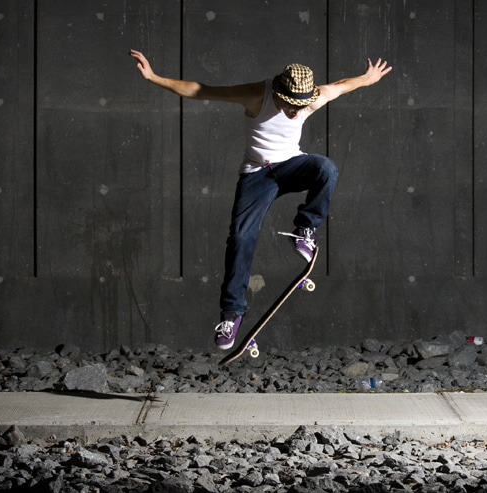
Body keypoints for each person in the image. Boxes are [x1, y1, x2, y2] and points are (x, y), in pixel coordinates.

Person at [130, 49, 392, 350]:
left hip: (292, 166)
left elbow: (342, 85)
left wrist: (366, 79)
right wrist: (153, 77)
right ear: (278, 93)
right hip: (256, 175)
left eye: (301, 108)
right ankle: (231, 314)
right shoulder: (257, 95)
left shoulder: (311, 97)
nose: (296, 114)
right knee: (241, 238)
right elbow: (200, 90)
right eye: (290, 107)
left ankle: (304, 230)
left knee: (326, 168)